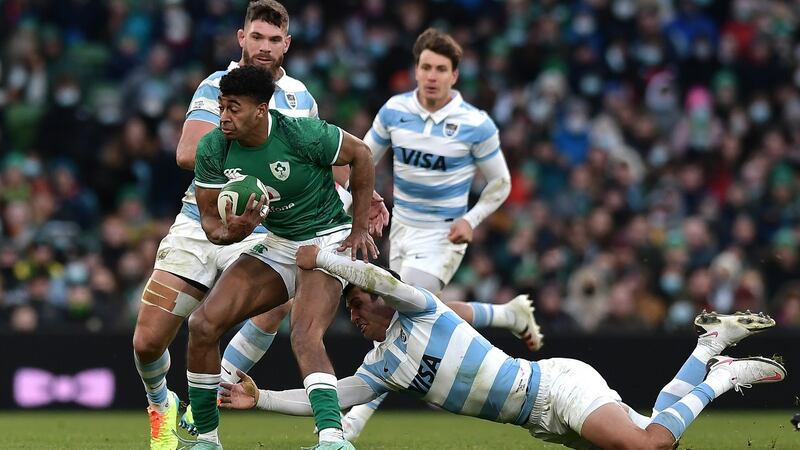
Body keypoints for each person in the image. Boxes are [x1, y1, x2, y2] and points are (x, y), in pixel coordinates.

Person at [220, 244, 786, 450]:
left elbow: (384, 283)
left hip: (557, 387)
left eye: (355, 304)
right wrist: (261, 398)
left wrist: (329, 262)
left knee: (649, 447)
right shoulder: (383, 365)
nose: (353, 314)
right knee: (653, 435)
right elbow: (334, 397)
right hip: (541, 421)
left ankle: (721, 377)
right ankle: (706, 347)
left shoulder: (421, 308)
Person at [131, 2, 387, 448]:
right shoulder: (217, 87)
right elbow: (189, 153)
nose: (265, 47)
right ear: (241, 38)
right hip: (203, 220)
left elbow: (329, 156)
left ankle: (212, 412)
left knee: (288, 317)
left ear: (286, 43)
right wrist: (247, 178)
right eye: (257, 37)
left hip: (276, 226)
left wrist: (365, 198)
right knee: (149, 341)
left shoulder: (299, 100)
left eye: (274, 39)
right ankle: (162, 405)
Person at [344, 27, 533, 439]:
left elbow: (500, 182)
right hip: (402, 231)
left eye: (440, 69)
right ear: (416, 69)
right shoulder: (394, 111)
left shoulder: (475, 124)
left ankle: (351, 423)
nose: (431, 75)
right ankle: (509, 314)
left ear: (455, 75)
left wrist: (472, 220)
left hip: (443, 237)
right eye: (425, 67)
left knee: (394, 314)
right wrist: (360, 197)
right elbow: (361, 160)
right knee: (422, 310)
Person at [185, 64, 377, 450]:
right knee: (202, 325)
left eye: (233, 108)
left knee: (305, 334)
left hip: (327, 238)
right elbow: (208, 219)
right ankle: (206, 438)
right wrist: (231, 233)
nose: (223, 117)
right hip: (280, 241)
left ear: (261, 109)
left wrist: (357, 230)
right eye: (221, 106)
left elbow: (362, 154)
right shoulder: (213, 146)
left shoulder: (301, 134)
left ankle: (333, 440)